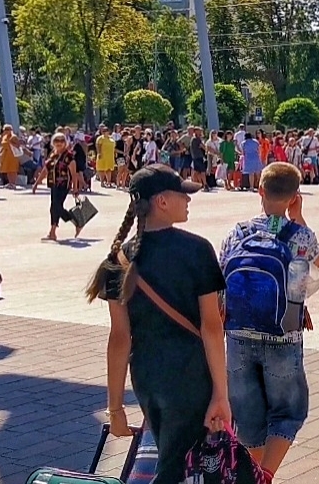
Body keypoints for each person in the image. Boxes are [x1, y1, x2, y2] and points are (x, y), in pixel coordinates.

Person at [85, 165, 229, 484]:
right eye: (183, 195)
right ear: (162, 201)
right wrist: (221, 393)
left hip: (148, 378)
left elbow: (120, 338)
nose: (188, 201)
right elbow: (211, 327)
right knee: (178, 467)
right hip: (192, 376)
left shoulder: (118, 259)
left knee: (170, 457)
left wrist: (116, 407)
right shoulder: (197, 250)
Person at [219, 162, 319, 478]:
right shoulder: (298, 235)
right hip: (283, 334)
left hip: (238, 333)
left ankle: (255, 473)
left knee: (248, 417)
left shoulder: (239, 232)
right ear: (294, 197)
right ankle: (264, 475)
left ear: (259, 190)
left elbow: (222, 275)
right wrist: (298, 218)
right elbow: (315, 264)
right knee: (288, 413)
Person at [33, 133, 82, 241]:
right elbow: (46, 170)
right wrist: (37, 183)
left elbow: (74, 174)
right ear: (53, 143)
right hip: (53, 184)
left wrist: (75, 188)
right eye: (56, 141)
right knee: (53, 208)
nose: (59, 143)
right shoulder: (53, 155)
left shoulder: (69, 156)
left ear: (65, 142)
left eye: (61, 141)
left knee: (56, 206)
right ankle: (52, 232)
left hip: (64, 185)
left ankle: (76, 222)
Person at [0, 125, 20, 190]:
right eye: (5, 130)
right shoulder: (4, 137)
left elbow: (18, 145)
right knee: (8, 170)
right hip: (5, 155)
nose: (6, 131)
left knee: (13, 170)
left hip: (12, 155)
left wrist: (11, 143)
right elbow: (2, 145)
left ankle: (13, 183)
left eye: (7, 129)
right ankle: (10, 183)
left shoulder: (13, 136)